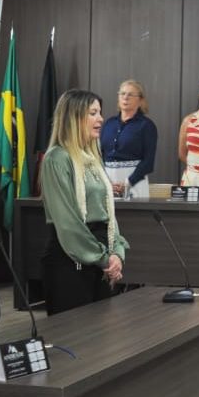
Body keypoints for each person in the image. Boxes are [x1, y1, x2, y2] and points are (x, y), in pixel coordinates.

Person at [41, 89, 128, 316]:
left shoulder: (93, 159)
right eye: (93, 113)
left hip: (100, 256)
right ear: (73, 117)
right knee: (75, 331)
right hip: (71, 258)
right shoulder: (57, 158)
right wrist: (104, 259)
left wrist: (117, 253)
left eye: (100, 112)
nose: (101, 119)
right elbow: (68, 223)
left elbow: (108, 213)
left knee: (102, 331)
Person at [100, 79, 157, 199]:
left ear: (140, 100)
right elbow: (99, 155)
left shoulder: (146, 125)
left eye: (130, 94)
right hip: (107, 182)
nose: (125, 97)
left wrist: (128, 182)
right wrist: (106, 181)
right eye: (122, 93)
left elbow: (148, 162)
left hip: (135, 182)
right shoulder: (108, 124)